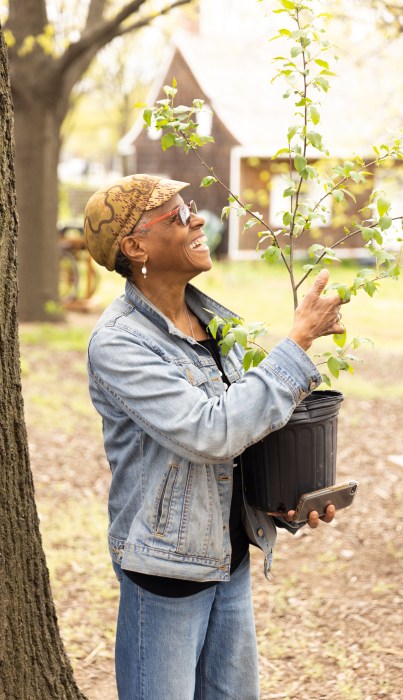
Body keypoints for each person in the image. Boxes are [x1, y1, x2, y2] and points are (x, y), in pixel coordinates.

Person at [83, 173, 345, 700]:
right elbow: (211, 432)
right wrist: (297, 343)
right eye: (177, 215)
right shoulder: (119, 344)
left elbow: (242, 433)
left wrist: (279, 499)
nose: (198, 218)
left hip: (229, 559)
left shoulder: (213, 322)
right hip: (167, 574)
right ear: (136, 248)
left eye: (192, 206)